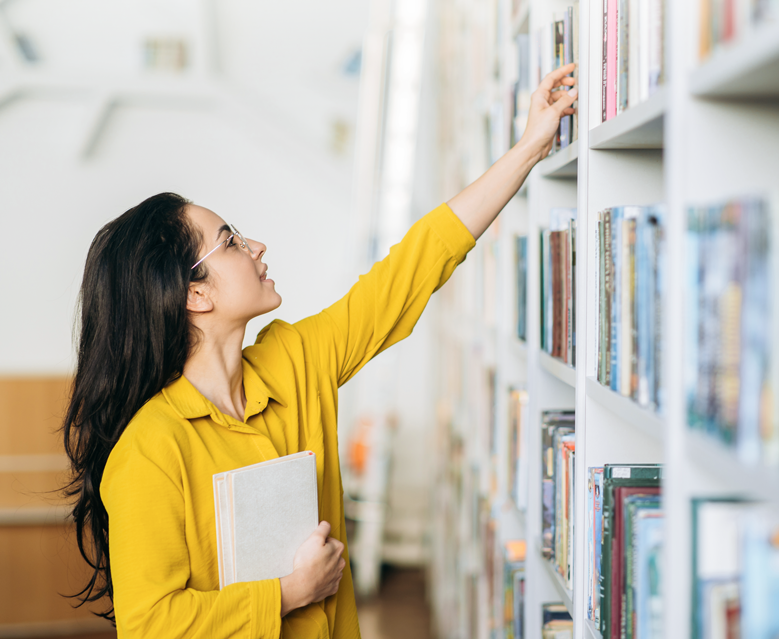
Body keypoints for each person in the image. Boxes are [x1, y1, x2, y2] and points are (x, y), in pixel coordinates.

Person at [61, 64, 577, 638]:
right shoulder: (150, 448)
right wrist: (287, 594)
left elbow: (411, 269)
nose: (255, 245)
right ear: (195, 294)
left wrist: (531, 146)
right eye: (230, 241)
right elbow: (151, 625)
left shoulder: (293, 361)